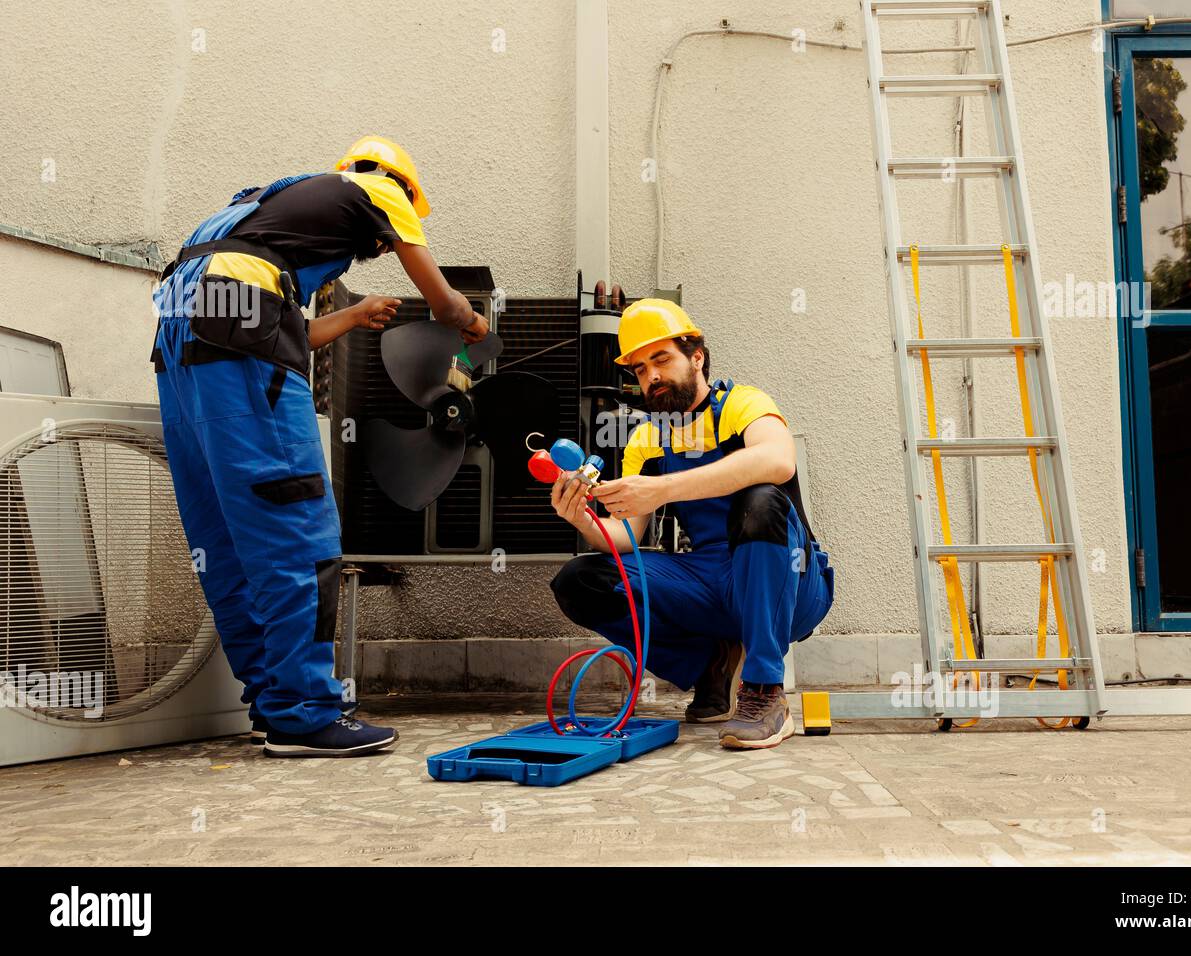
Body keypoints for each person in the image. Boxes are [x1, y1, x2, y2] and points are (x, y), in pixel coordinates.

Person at [150, 136, 487, 757]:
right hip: (236, 344)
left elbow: (270, 330)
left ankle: (273, 704)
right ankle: (304, 712)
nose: (380, 248)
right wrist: (469, 323)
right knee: (296, 527)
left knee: (227, 539)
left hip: (182, 349)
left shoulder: (257, 210)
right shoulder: (376, 188)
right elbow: (442, 300)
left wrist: (354, 317)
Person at [549, 300, 834, 749]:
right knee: (580, 581)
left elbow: (778, 460)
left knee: (760, 500)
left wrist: (663, 489)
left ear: (696, 357)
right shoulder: (647, 439)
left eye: (661, 359)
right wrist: (584, 519)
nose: (652, 376)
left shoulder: (743, 404)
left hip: (791, 582)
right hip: (709, 581)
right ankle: (711, 667)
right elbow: (626, 536)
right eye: (641, 369)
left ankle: (764, 692)